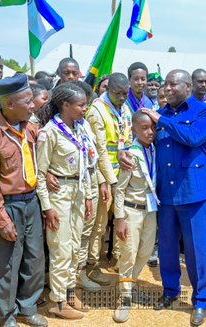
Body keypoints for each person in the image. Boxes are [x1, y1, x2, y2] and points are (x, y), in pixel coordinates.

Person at [120, 69, 206, 326]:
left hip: (193, 194)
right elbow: (141, 140)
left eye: (173, 85)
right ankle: (170, 291)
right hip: (166, 195)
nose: (168, 89)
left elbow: (194, 138)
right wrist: (123, 153)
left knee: (196, 251)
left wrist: (161, 119)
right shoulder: (158, 115)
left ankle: (200, 300)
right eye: (166, 85)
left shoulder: (203, 111)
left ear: (187, 86)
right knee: (168, 249)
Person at [0, 74, 47, 327]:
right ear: (10, 104)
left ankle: (28, 306)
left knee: (34, 259)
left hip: (31, 202)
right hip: (8, 205)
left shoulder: (31, 127)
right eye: (27, 101)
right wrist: (1, 218)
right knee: (7, 265)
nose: (33, 105)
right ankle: (6, 315)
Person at [36, 83, 92, 320]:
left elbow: (85, 166)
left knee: (74, 245)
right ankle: (57, 301)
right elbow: (40, 173)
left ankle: (70, 292)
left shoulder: (80, 128)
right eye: (80, 105)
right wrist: (47, 207)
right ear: (65, 105)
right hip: (58, 194)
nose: (85, 108)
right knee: (60, 248)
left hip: (78, 191)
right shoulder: (50, 133)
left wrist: (88, 196)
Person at [85, 72, 133, 286]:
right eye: (117, 93)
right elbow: (100, 150)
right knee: (100, 223)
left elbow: (128, 138)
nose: (122, 97)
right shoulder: (96, 111)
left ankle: (117, 258)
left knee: (122, 217)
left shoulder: (125, 109)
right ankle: (91, 265)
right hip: (103, 176)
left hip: (122, 172)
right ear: (107, 90)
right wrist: (111, 181)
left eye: (125, 93)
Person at [113, 110, 158, 323]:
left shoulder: (157, 150)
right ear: (134, 129)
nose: (150, 132)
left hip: (150, 211)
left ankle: (131, 285)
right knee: (128, 254)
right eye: (144, 128)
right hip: (131, 211)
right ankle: (124, 298)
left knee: (145, 252)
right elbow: (120, 189)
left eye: (152, 128)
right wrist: (119, 218)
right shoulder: (131, 154)